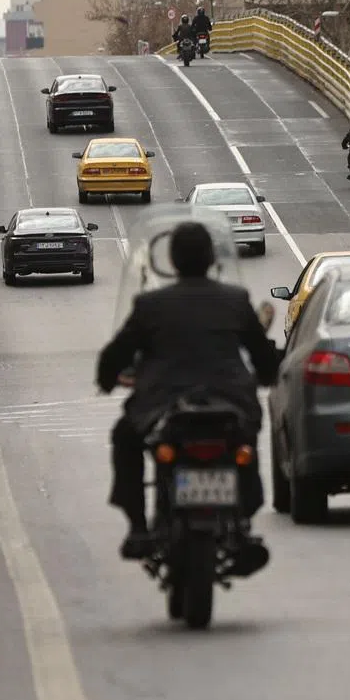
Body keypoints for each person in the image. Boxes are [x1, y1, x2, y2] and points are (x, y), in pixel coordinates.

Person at [96, 221, 280, 567]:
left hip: (163, 404)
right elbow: (262, 354)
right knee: (245, 442)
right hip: (230, 402)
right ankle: (242, 522)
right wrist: (266, 376)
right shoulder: (235, 300)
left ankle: (137, 526)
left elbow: (115, 354)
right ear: (211, 258)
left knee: (125, 437)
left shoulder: (151, 304)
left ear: (172, 259)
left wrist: (106, 380)